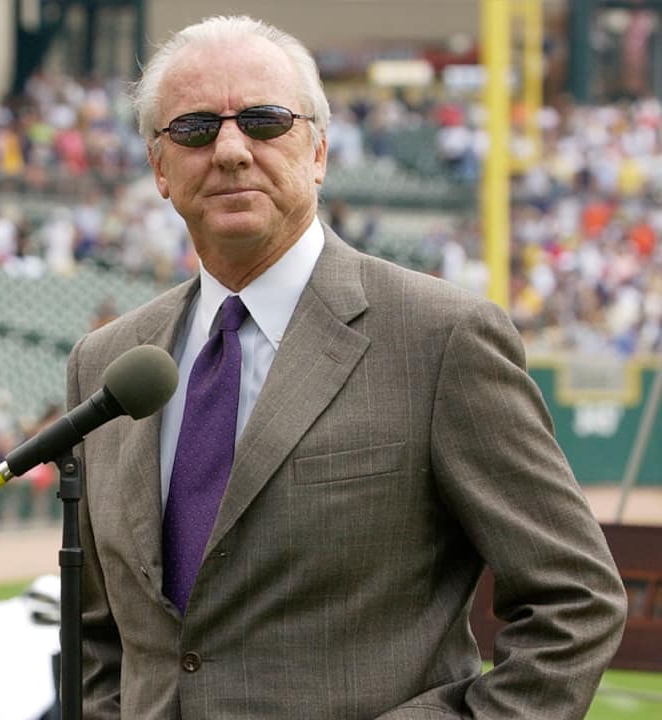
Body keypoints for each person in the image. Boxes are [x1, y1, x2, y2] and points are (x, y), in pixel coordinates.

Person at [66, 15, 626, 720]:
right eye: (195, 129)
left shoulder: (439, 339)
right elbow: (98, 637)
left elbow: (577, 601)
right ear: (159, 168)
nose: (231, 150)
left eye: (265, 121)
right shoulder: (106, 364)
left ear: (319, 152)